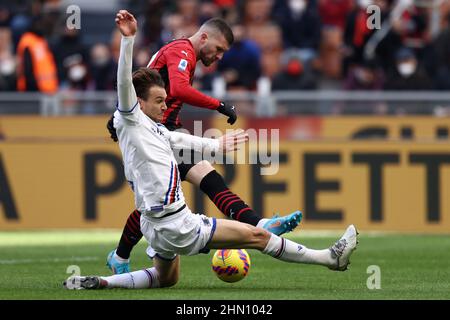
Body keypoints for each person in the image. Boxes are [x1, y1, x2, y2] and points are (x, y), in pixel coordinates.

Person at [64, 10, 358, 289]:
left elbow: (177, 140)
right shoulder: (138, 108)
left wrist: (216, 145)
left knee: (167, 278)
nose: (165, 105)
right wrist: (128, 40)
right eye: (159, 101)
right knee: (256, 236)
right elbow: (128, 85)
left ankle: (106, 277)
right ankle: (327, 257)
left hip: (154, 226)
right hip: (177, 224)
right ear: (138, 103)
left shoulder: (152, 128)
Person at [106, 13, 302, 274]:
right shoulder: (182, 50)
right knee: (161, 201)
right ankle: (259, 224)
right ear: (204, 37)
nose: (219, 57)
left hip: (162, 131)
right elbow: (178, 89)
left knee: (198, 184)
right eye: (218, 49)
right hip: (150, 134)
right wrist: (220, 105)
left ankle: (260, 223)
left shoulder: (184, 53)